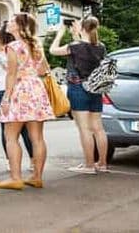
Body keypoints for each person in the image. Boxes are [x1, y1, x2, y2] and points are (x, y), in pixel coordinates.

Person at [0, 13, 54, 190]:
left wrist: (6, 98)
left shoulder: (13, 46)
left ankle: (15, 177)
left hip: (20, 90)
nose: (8, 23)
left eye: (12, 21)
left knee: (11, 136)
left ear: (19, 26)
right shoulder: (37, 45)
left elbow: (11, 74)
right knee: (37, 138)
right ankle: (37, 177)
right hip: (36, 89)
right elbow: (43, 71)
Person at [50, 17, 109, 173]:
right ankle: (102, 164)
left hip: (77, 88)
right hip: (95, 89)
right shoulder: (101, 47)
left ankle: (89, 165)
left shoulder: (74, 46)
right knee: (98, 128)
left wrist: (60, 33)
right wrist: (77, 34)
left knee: (84, 129)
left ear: (83, 28)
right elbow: (86, 49)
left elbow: (53, 50)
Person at [0, 23, 34, 170]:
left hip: (2, 91)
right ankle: (32, 161)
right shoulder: (20, 48)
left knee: (6, 129)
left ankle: (11, 162)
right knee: (25, 128)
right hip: (21, 90)